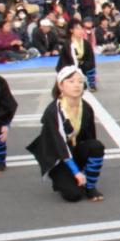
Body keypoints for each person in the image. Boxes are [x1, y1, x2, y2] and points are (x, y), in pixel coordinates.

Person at [26, 66, 106, 202]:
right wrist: (75, 172)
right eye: (71, 81)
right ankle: (63, 177)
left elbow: (90, 136)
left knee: (96, 146)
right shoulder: (54, 111)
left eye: (80, 82)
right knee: (73, 195)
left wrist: (88, 160)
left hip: (74, 150)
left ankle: (90, 186)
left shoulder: (85, 107)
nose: (77, 85)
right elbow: (59, 144)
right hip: (58, 156)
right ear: (60, 85)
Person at [56, 20, 98, 91]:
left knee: (91, 66)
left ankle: (91, 83)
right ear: (71, 30)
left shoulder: (86, 43)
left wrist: (86, 65)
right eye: (77, 28)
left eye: (81, 28)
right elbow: (66, 61)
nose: (80, 31)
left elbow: (90, 58)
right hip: (68, 66)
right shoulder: (68, 44)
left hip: (81, 65)